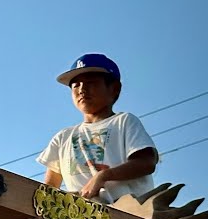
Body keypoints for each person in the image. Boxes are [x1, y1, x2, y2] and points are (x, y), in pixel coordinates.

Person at [37, 53, 158, 203]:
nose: (82, 89)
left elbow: (146, 162)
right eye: (76, 85)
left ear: (114, 89)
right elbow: (49, 188)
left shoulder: (124, 122)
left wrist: (103, 176)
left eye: (91, 83)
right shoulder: (63, 138)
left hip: (128, 215)